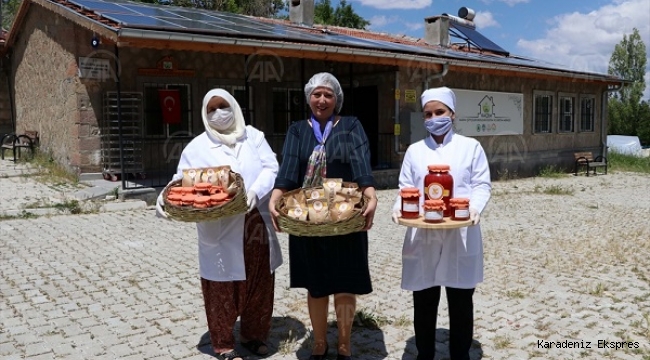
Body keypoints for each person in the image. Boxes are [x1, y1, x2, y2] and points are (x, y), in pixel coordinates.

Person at [156, 89, 282, 360]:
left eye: (223, 105)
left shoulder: (254, 137)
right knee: (221, 286)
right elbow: (181, 180)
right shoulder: (197, 147)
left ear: (234, 106)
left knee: (259, 280)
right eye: (211, 109)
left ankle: (253, 335)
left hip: (255, 221)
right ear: (204, 113)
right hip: (219, 226)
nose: (218, 113)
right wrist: (164, 197)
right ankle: (223, 344)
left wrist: (254, 192)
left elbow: (271, 168)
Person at [268, 72, 378, 360]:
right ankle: (319, 342)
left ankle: (344, 343)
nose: (322, 99)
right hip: (307, 219)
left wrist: (370, 193)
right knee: (316, 285)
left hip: (345, 217)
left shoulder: (350, 126)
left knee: (344, 282)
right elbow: (289, 166)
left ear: (337, 99)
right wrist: (277, 197)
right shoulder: (297, 130)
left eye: (328, 94)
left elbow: (361, 160)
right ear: (308, 98)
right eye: (317, 94)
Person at [391, 86, 491, 360]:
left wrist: (475, 209)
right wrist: (398, 207)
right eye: (428, 113)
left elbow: (481, 184)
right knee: (423, 299)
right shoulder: (415, 151)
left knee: (460, 300)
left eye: (440, 112)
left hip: (460, 231)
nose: (434, 117)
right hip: (423, 231)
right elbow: (406, 188)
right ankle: (425, 354)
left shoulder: (470, 147)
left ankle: (460, 354)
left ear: (452, 114)